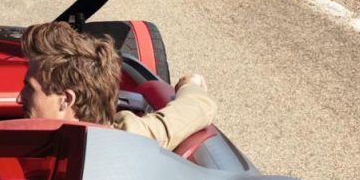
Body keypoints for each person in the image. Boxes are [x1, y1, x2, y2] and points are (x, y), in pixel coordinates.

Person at [17, 22, 216, 150]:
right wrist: (190, 86)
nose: (19, 98)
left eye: (30, 88)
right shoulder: (130, 138)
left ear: (66, 100)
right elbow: (197, 108)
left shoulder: (127, 140)